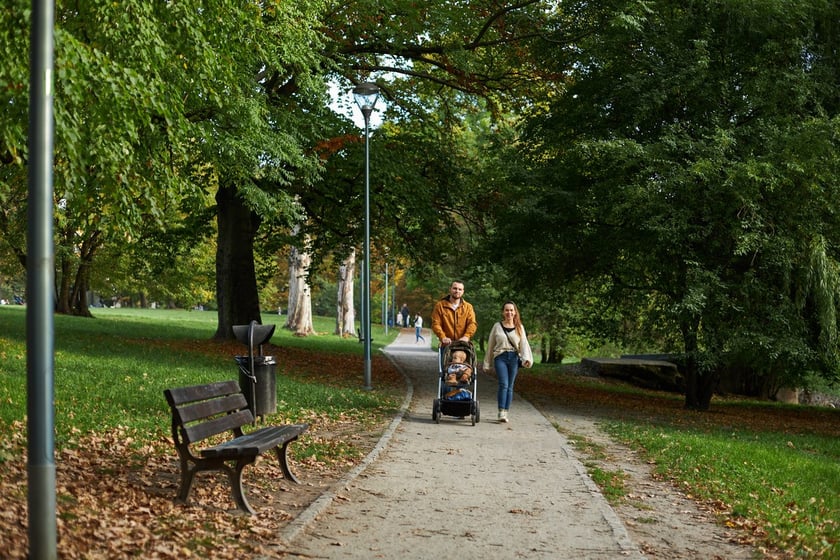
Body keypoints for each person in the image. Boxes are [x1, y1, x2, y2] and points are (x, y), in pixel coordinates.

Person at [482, 301, 533, 423]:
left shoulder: (520, 327)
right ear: (503, 312)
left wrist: (527, 359)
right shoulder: (497, 326)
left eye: (511, 310)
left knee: (510, 386)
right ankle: (500, 412)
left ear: (515, 312)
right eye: (506, 310)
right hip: (500, 357)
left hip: (514, 358)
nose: (509, 312)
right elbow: (490, 345)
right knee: (503, 384)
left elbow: (524, 345)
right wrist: (487, 363)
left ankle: (505, 412)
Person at [431, 281, 477, 346]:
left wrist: (466, 336)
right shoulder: (440, 306)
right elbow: (436, 324)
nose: (457, 291)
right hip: (446, 344)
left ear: (463, 291)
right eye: (455, 288)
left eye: (460, 289)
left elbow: (472, 323)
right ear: (450, 289)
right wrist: (443, 337)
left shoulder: (468, 307)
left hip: (463, 344)